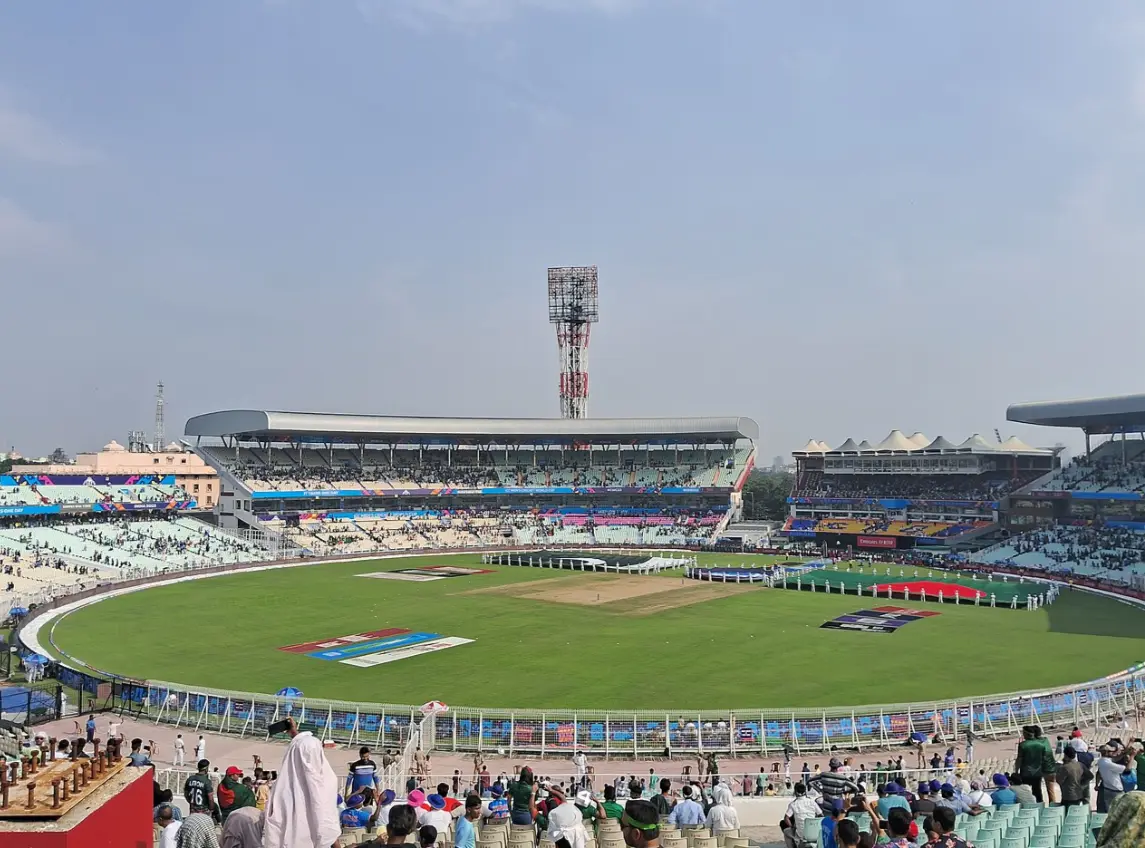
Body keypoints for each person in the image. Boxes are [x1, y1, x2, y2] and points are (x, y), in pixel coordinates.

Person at [262, 717, 340, 848]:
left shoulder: (283, 790)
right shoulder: (326, 785)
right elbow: (328, 830)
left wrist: (294, 733)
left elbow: (302, 753)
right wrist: (295, 733)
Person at [782, 782, 822, 848]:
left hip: (801, 834)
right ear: (804, 791)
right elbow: (821, 815)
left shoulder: (793, 804)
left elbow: (786, 818)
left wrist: (792, 827)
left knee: (786, 832)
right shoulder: (812, 802)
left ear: (796, 792)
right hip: (815, 833)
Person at [1096, 746, 1133, 812]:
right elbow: (1127, 770)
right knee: (1119, 811)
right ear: (1107, 753)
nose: (1114, 753)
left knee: (1110, 810)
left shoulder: (1101, 761)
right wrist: (1132, 756)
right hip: (1116, 790)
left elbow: (1114, 759)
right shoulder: (1108, 764)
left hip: (1107, 789)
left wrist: (1124, 753)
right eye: (1112, 751)